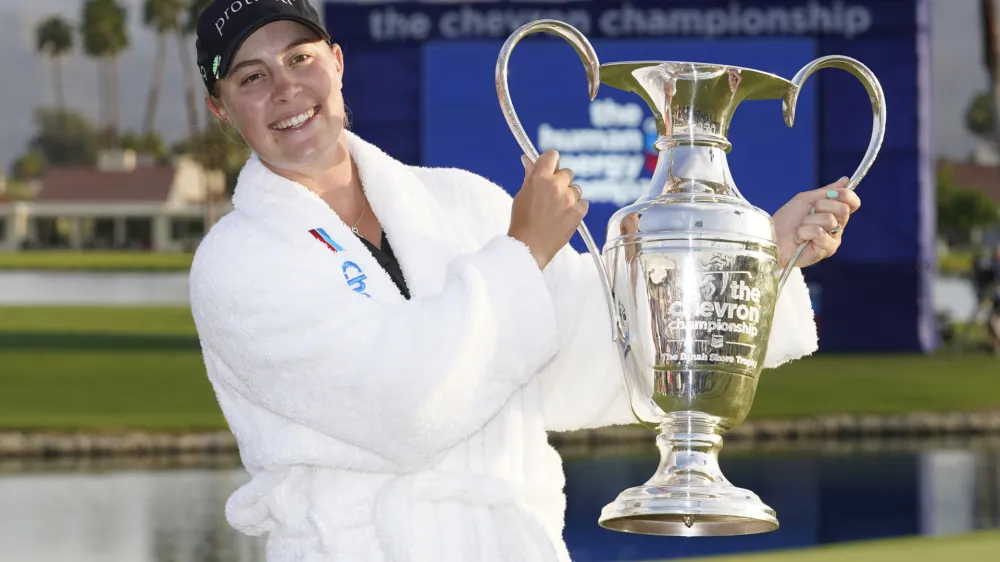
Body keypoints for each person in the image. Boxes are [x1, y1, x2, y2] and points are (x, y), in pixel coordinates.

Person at [187, 1, 862, 560]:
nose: (285, 90)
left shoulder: (462, 202)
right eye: (251, 78)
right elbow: (400, 411)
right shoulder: (238, 264)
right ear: (222, 108)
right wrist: (523, 249)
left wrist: (758, 258)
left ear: (335, 62)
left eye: (299, 58)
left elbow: (595, 366)